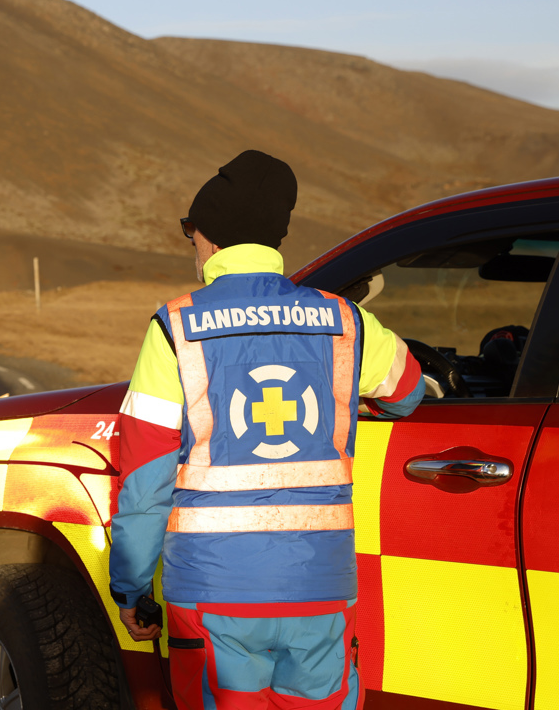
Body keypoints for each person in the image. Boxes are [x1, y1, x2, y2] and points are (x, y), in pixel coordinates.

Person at [109, 150, 425, 710]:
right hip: (319, 589)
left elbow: (144, 479)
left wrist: (131, 589)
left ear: (208, 237)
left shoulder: (174, 327)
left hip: (211, 592)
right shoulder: (345, 319)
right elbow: (408, 392)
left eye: (191, 233)